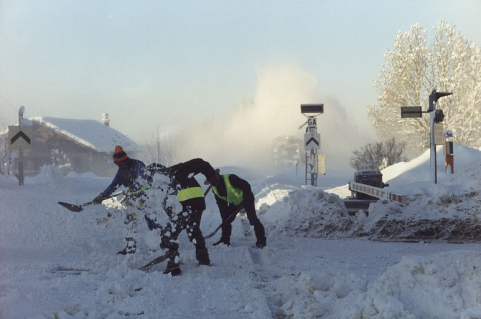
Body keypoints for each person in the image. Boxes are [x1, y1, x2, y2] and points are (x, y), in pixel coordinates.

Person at [146, 158, 213, 276]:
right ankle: (203, 259)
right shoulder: (161, 185)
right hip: (197, 204)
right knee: (193, 230)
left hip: (188, 205)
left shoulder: (176, 170)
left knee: (169, 234)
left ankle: (173, 265)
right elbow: (168, 205)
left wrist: (211, 176)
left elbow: (199, 162)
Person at [92, 145, 161, 255]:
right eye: (116, 163)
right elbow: (114, 185)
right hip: (132, 199)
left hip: (145, 198)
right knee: (129, 223)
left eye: (117, 163)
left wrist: (133, 187)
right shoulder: (121, 171)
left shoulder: (137, 165)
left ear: (122, 160)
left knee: (151, 221)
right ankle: (130, 248)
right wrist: (102, 196)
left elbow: (142, 178)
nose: (117, 165)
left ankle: (159, 245)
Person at [205, 167, 267, 249]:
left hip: (247, 198)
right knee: (226, 220)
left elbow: (246, 186)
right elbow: (221, 204)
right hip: (235, 202)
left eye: (214, 178)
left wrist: (246, 199)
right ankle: (225, 240)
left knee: (253, 219)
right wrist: (225, 217)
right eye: (211, 180)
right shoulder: (214, 189)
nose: (213, 182)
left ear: (217, 176)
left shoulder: (230, 178)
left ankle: (261, 241)